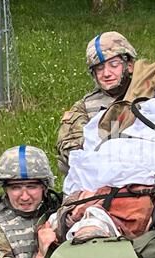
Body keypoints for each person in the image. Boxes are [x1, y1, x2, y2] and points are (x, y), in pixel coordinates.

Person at [56, 31, 137, 175]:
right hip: (100, 178)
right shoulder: (84, 107)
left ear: (129, 65)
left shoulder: (152, 95)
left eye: (113, 64)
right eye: (99, 68)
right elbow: (69, 151)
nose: (106, 73)